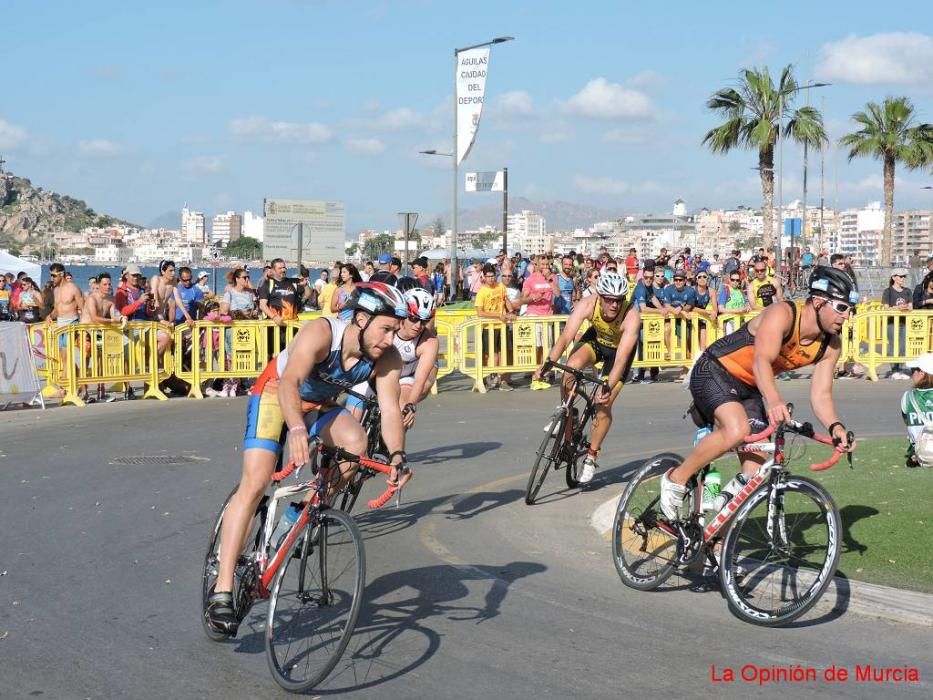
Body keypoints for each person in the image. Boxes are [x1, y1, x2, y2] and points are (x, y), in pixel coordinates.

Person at [206, 283, 412, 636]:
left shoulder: (387, 357)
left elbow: (391, 410)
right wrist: (297, 430)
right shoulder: (321, 332)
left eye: (396, 330)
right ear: (361, 319)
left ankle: (296, 514)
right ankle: (222, 590)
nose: (391, 339)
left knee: (355, 444)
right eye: (386, 328)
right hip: (275, 394)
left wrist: (396, 456)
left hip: (318, 405)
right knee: (256, 482)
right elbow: (290, 382)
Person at [659, 267, 858, 520]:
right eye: (841, 307)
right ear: (818, 302)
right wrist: (774, 400)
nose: (847, 316)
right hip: (714, 369)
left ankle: (716, 541)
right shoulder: (783, 314)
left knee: (756, 469)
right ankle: (675, 478)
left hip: (749, 388)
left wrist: (836, 427)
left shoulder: (831, 345)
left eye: (850, 309)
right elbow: (761, 360)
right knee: (737, 430)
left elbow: (821, 395)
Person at [533, 272, 640, 484]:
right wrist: (547, 364)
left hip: (618, 354)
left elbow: (620, 361)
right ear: (599, 296)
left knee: (603, 405)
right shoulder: (588, 303)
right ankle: (567, 411)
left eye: (618, 300)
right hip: (596, 342)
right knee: (569, 370)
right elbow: (566, 337)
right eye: (609, 299)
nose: (614, 305)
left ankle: (591, 457)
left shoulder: (631, 316)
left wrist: (607, 387)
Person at [474, 263, 517, 390]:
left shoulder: (501, 287)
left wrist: (511, 312)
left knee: (504, 352)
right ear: (484, 277)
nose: (491, 279)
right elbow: (480, 312)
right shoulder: (481, 292)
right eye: (488, 276)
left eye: (493, 276)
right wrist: (497, 315)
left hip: (502, 326)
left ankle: (503, 380)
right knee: (491, 354)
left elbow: (506, 301)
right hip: (488, 327)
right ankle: (491, 377)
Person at [519, 259, 555, 388]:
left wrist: (550, 280)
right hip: (534, 314)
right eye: (543, 264)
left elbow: (557, 293)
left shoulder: (552, 277)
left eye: (547, 264)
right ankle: (536, 373)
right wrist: (533, 298)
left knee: (548, 346)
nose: (545, 267)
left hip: (548, 315)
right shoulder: (530, 279)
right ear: (537, 265)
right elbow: (522, 299)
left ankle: (544, 372)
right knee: (537, 346)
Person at [901, 353, 933, 468]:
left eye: (913, 370)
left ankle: (915, 456)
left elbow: (907, 421)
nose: (912, 374)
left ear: (922, 373)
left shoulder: (907, 397)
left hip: (921, 452)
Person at [882, 268, 913, 379]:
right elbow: (886, 308)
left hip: (904, 322)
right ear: (894, 277)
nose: (902, 278)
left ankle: (901, 369)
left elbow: (910, 306)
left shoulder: (907, 291)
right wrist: (897, 308)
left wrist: (907, 308)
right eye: (900, 276)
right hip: (891, 322)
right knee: (893, 346)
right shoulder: (888, 291)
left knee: (903, 346)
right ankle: (894, 369)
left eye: (904, 276)